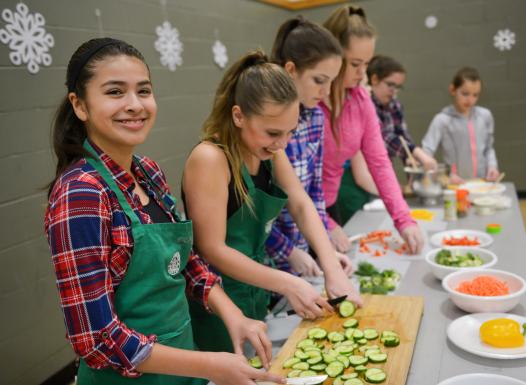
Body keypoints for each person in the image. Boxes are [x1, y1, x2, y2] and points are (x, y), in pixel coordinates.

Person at [44, 38, 284, 385]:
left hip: (181, 372)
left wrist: (234, 316)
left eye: (143, 91)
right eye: (114, 92)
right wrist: (212, 366)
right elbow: (96, 339)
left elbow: (185, 263)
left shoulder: (148, 172)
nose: (134, 105)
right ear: (79, 105)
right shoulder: (81, 194)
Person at [182, 50, 362, 353]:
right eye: (273, 132)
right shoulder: (210, 158)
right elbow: (212, 248)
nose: (283, 144)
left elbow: (301, 204)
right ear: (238, 115)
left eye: (290, 132)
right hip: (218, 306)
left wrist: (331, 266)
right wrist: (289, 283)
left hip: (256, 293)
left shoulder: (270, 152)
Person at [320, 5, 424, 254]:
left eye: (366, 64)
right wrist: (325, 223)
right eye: (355, 64)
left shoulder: (361, 101)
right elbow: (291, 184)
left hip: (328, 207)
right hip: (300, 215)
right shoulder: (311, 104)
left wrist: (404, 220)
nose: (362, 73)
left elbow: (379, 162)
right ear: (332, 56)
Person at [265, 16, 354, 277]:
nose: (327, 91)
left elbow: (314, 194)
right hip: (267, 262)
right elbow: (253, 211)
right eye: (319, 80)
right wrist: (288, 251)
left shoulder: (315, 116)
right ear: (291, 70)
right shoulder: (264, 122)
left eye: (331, 82)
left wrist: (323, 249)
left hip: (302, 255)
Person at [422, 67, 500, 184]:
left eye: (475, 95)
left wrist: (492, 166)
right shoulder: (442, 120)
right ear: (453, 89)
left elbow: (489, 148)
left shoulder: (485, 116)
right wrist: (444, 176)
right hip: (455, 184)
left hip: (482, 183)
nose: (470, 100)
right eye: (465, 94)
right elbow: (426, 152)